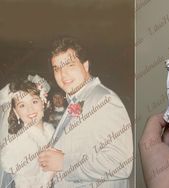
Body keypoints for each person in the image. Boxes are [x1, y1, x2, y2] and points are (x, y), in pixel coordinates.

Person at [38, 37, 133, 188]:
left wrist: (64, 163)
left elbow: (121, 163)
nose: (63, 75)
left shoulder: (104, 99)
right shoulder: (77, 99)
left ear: (86, 66)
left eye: (69, 65)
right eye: (57, 68)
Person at [0, 75, 55, 188]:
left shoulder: (50, 130)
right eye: (22, 105)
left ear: (43, 102)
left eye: (34, 101)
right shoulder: (18, 142)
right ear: (15, 111)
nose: (30, 109)